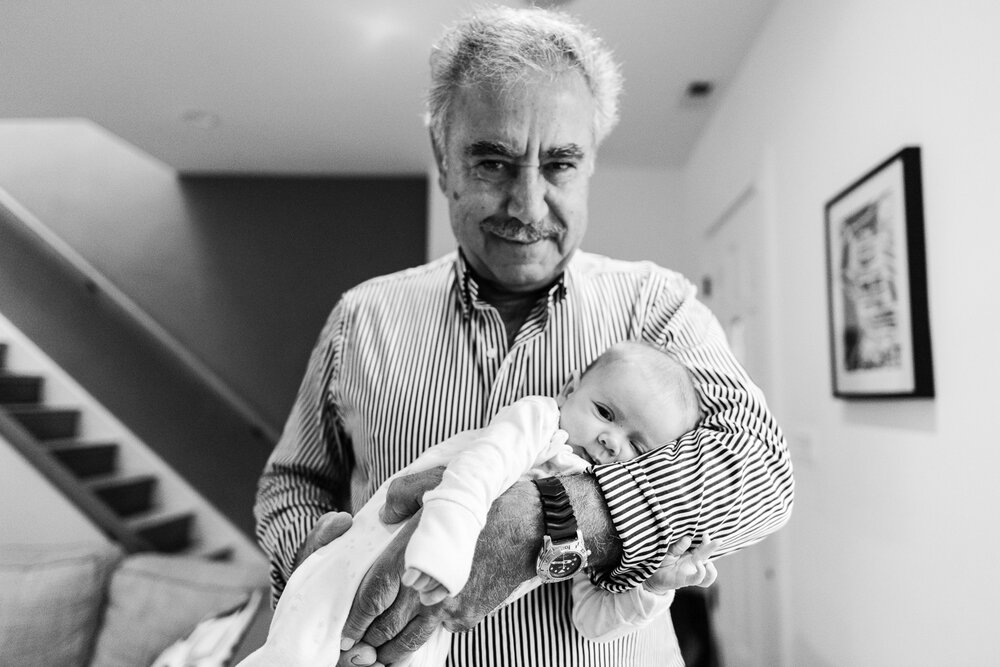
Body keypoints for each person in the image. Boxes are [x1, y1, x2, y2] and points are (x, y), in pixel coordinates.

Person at [254, 6, 794, 667]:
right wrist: (314, 556)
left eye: (561, 163)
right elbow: (292, 482)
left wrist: (547, 517)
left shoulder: (659, 307)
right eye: (493, 162)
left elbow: (762, 470)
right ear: (443, 160)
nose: (529, 205)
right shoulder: (361, 318)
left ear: (591, 163)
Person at [241, 343, 719, 667]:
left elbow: (590, 620)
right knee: (294, 654)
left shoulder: (593, 509)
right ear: (571, 390)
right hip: (369, 557)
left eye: (638, 446)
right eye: (606, 413)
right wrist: (441, 554)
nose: (612, 442)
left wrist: (653, 589)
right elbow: (474, 477)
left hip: (431, 627)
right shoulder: (537, 424)